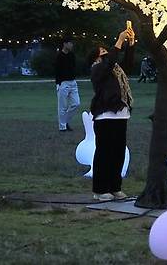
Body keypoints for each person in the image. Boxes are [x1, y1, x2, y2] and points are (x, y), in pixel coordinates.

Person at [87, 26, 135, 201]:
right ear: (96, 57)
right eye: (102, 52)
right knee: (104, 153)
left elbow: (128, 65)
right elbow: (109, 63)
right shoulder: (97, 69)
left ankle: (115, 186)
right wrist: (119, 40)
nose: (106, 53)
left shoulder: (115, 69)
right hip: (105, 115)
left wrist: (130, 44)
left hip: (121, 114)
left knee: (118, 152)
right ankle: (100, 189)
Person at [54, 37, 80, 132]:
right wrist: (59, 83)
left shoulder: (72, 55)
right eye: (70, 43)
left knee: (76, 104)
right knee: (62, 106)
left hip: (73, 82)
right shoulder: (59, 56)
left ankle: (65, 121)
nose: (71, 45)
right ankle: (62, 127)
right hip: (63, 83)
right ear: (64, 44)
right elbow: (57, 70)